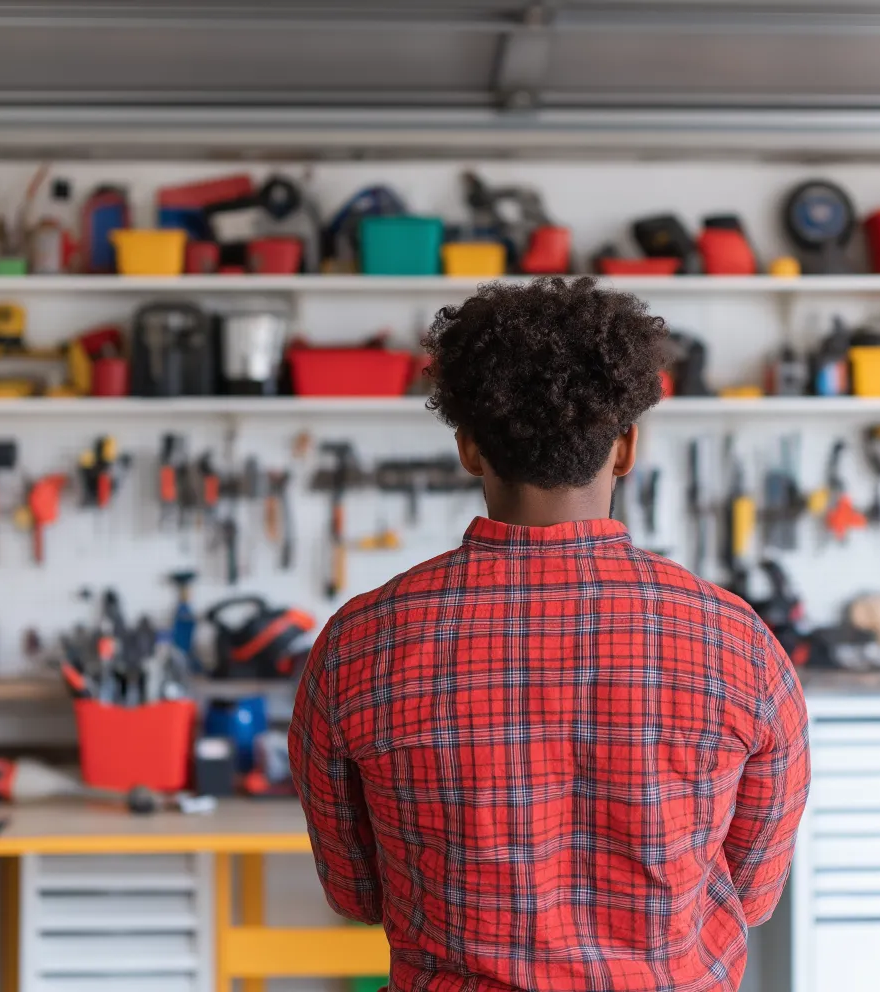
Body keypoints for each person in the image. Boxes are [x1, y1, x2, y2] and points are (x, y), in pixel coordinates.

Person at [289, 277, 810, 992]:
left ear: (471, 448)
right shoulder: (738, 645)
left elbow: (355, 894)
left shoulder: (360, 645)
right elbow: (750, 895)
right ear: (625, 448)